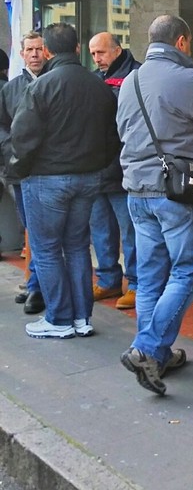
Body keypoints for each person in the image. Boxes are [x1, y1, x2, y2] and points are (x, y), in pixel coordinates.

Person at [116, 15, 193, 396]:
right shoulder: (190, 80)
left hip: (137, 191)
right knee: (188, 271)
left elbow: (121, 130)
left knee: (150, 277)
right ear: (182, 42)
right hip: (177, 192)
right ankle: (147, 349)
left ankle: (157, 354)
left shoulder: (129, 81)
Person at [10, 23, 120, 339]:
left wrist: (20, 170)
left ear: (46, 51)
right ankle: (81, 318)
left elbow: (23, 138)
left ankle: (59, 318)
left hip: (46, 180)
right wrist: (97, 167)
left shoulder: (40, 86)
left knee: (46, 250)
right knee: (76, 248)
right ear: (76, 48)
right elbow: (112, 137)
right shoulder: (99, 86)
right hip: (87, 178)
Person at [88, 32, 140, 310]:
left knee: (130, 232)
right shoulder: (93, 79)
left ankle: (135, 284)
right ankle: (108, 279)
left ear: (117, 50)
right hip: (96, 169)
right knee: (101, 231)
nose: (97, 59)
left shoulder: (136, 76)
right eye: (93, 54)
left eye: (102, 53)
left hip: (124, 170)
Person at [0, 32, 46, 313]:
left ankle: (37, 288)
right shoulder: (11, 89)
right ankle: (35, 285)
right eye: (29, 49)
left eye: (39, 49)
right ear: (21, 53)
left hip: (51, 170)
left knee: (46, 234)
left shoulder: (56, 83)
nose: (34, 54)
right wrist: (10, 150)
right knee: (32, 230)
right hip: (20, 171)